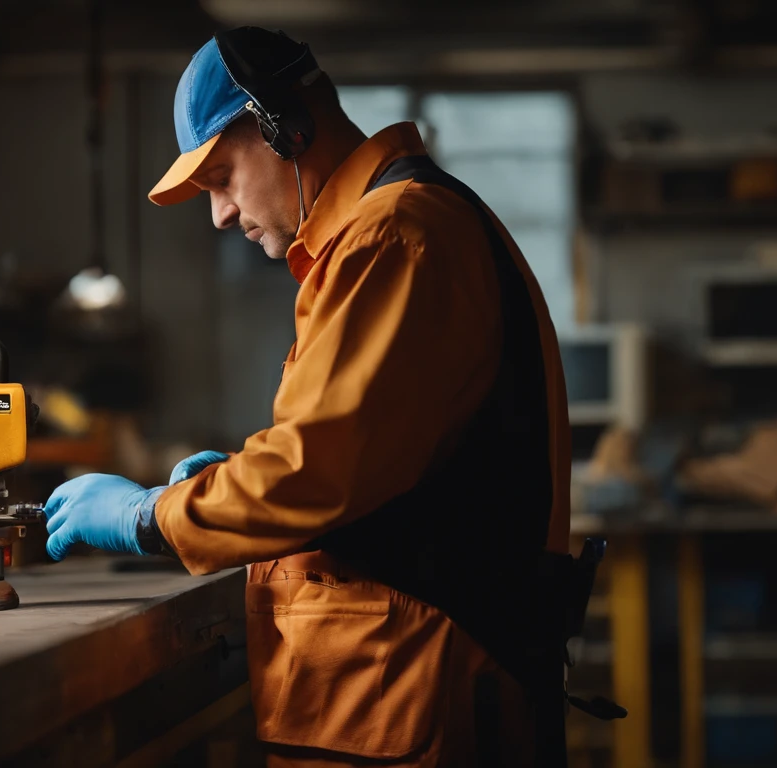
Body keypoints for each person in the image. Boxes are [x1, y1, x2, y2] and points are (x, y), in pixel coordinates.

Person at [45, 26, 579, 767]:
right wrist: (230, 483)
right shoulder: (395, 231)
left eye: (222, 177)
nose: (220, 214)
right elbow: (367, 468)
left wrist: (148, 517)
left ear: (284, 128)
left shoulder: (392, 236)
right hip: (400, 692)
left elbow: (312, 471)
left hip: (419, 694)